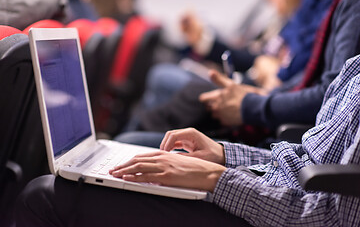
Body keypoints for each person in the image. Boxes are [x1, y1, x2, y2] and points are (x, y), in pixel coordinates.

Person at [15, 54, 360, 226]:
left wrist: (215, 179)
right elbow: (306, 157)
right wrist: (224, 155)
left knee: (43, 194)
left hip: (266, 212)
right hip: (262, 187)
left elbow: (328, 218)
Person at [128, 0, 360, 146]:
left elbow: (324, 93)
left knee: (162, 88)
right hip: (269, 103)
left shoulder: (338, 0)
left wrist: (253, 102)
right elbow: (269, 62)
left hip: (281, 132)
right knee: (160, 100)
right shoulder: (321, 0)